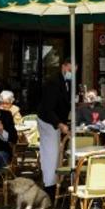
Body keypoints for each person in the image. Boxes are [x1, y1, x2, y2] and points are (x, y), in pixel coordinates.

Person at [37, 59, 72, 201]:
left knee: (56, 154)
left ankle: (55, 183)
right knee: (50, 155)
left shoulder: (66, 81)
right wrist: (59, 124)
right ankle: (49, 188)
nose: (72, 72)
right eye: (70, 69)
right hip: (48, 122)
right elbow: (48, 108)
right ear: (63, 66)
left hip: (57, 121)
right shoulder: (53, 82)